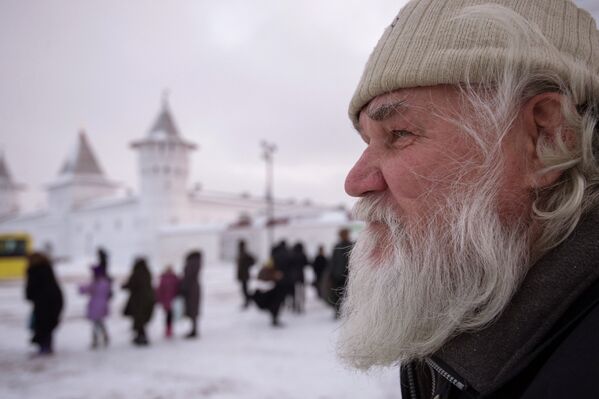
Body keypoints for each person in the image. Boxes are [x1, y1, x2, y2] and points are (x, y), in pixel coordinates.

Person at [336, 1, 599, 398]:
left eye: (399, 133)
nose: (356, 182)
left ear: (545, 136)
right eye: (367, 141)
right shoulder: (454, 302)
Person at [25, 252, 64, 356]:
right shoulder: (47, 269)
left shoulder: (35, 270)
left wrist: (30, 296)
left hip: (44, 302)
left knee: (43, 324)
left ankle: (44, 346)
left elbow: (31, 288)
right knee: (47, 324)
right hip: (53, 300)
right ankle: (46, 346)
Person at [122, 257, 155, 346]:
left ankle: (141, 337)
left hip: (139, 300)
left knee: (139, 319)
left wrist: (124, 286)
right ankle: (140, 336)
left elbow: (132, 284)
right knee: (141, 319)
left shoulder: (137, 273)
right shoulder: (147, 273)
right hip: (146, 299)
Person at [79, 265, 111, 348]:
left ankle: (95, 340)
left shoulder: (97, 283)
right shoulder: (105, 282)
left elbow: (87, 289)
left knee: (96, 324)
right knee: (99, 323)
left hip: (96, 306)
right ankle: (104, 337)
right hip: (102, 305)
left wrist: (81, 288)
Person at [329, 229, 352, 318]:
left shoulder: (351, 245)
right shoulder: (337, 247)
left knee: (349, 294)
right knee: (337, 294)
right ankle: (337, 311)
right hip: (338, 275)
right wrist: (331, 274)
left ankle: (349, 312)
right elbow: (333, 261)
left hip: (349, 275)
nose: (344, 236)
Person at [179, 251, 202, 338]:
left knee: (192, 310)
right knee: (194, 310)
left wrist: (183, 288)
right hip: (194, 288)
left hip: (191, 289)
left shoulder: (191, 264)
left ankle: (194, 330)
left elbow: (188, 277)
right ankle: (194, 329)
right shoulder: (197, 263)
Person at [155, 265, 180, 338]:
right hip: (168, 300)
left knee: (169, 315)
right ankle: (168, 329)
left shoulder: (169, 278)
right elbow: (160, 289)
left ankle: (168, 329)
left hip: (170, 300)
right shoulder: (173, 278)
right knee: (169, 315)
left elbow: (159, 289)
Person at [235, 240, 255, 309]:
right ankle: (247, 301)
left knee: (245, 290)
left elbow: (253, 261)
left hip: (244, 275)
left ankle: (248, 301)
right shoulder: (241, 254)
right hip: (242, 275)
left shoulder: (245, 254)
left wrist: (247, 266)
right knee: (244, 290)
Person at [290, 242, 309, 313]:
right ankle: (301, 305)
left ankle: (295, 304)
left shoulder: (292, 255)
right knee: (301, 291)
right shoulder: (302, 255)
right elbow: (307, 263)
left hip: (294, 275)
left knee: (295, 291)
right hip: (301, 275)